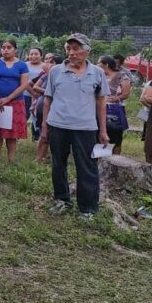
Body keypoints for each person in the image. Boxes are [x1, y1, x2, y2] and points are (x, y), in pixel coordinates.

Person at [42, 33, 109, 219]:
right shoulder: (56, 71)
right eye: (68, 49)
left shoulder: (97, 73)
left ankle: (88, 207)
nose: (71, 53)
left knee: (87, 166)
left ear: (87, 51)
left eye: (76, 49)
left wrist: (103, 131)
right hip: (58, 124)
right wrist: (45, 126)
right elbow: (47, 100)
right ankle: (62, 199)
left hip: (86, 127)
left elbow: (101, 102)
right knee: (58, 164)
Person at [0, 39, 30, 164]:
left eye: (9, 47)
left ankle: (11, 159)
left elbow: (24, 85)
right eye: (3, 47)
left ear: (15, 50)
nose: (5, 50)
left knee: (11, 132)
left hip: (15, 102)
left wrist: (8, 98)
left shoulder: (22, 65)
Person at [98, 55, 131, 152]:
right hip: (99, 108)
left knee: (115, 135)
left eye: (99, 63)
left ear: (106, 65)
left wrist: (115, 98)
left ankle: (115, 158)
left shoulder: (122, 76)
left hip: (114, 111)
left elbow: (126, 94)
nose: (97, 65)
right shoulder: (99, 75)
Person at [30, 53, 57, 163]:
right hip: (42, 108)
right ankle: (40, 157)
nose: (48, 64)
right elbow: (35, 86)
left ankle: (47, 157)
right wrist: (46, 92)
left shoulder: (59, 77)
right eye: (47, 61)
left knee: (50, 135)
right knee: (43, 132)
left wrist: (46, 93)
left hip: (53, 110)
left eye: (51, 62)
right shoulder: (45, 75)